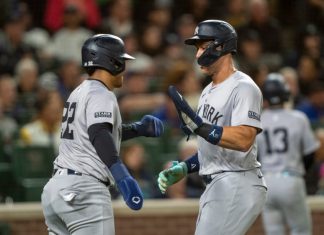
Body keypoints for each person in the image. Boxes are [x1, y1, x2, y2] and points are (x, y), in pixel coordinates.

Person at [41, 34, 164, 235]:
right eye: (122, 60)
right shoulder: (101, 93)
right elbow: (99, 134)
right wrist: (123, 177)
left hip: (56, 190)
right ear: (111, 62)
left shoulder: (78, 91)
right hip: (84, 190)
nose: (125, 66)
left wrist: (138, 129)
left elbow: (95, 132)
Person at [157, 19, 267, 235]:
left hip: (237, 180)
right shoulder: (207, 90)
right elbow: (213, 143)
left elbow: (244, 139)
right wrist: (186, 167)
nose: (198, 53)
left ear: (221, 46)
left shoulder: (243, 87)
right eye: (197, 47)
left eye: (202, 46)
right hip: (218, 183)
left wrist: (200, 127)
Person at [257, 73, 320, 235]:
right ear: (285, 93)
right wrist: (301, 173)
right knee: (301, 230)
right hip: (291, 177)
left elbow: (254, 157)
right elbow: (309, 154)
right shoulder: (298, 118)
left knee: (274, 231)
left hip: (266, 181)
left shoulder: (257, 121)